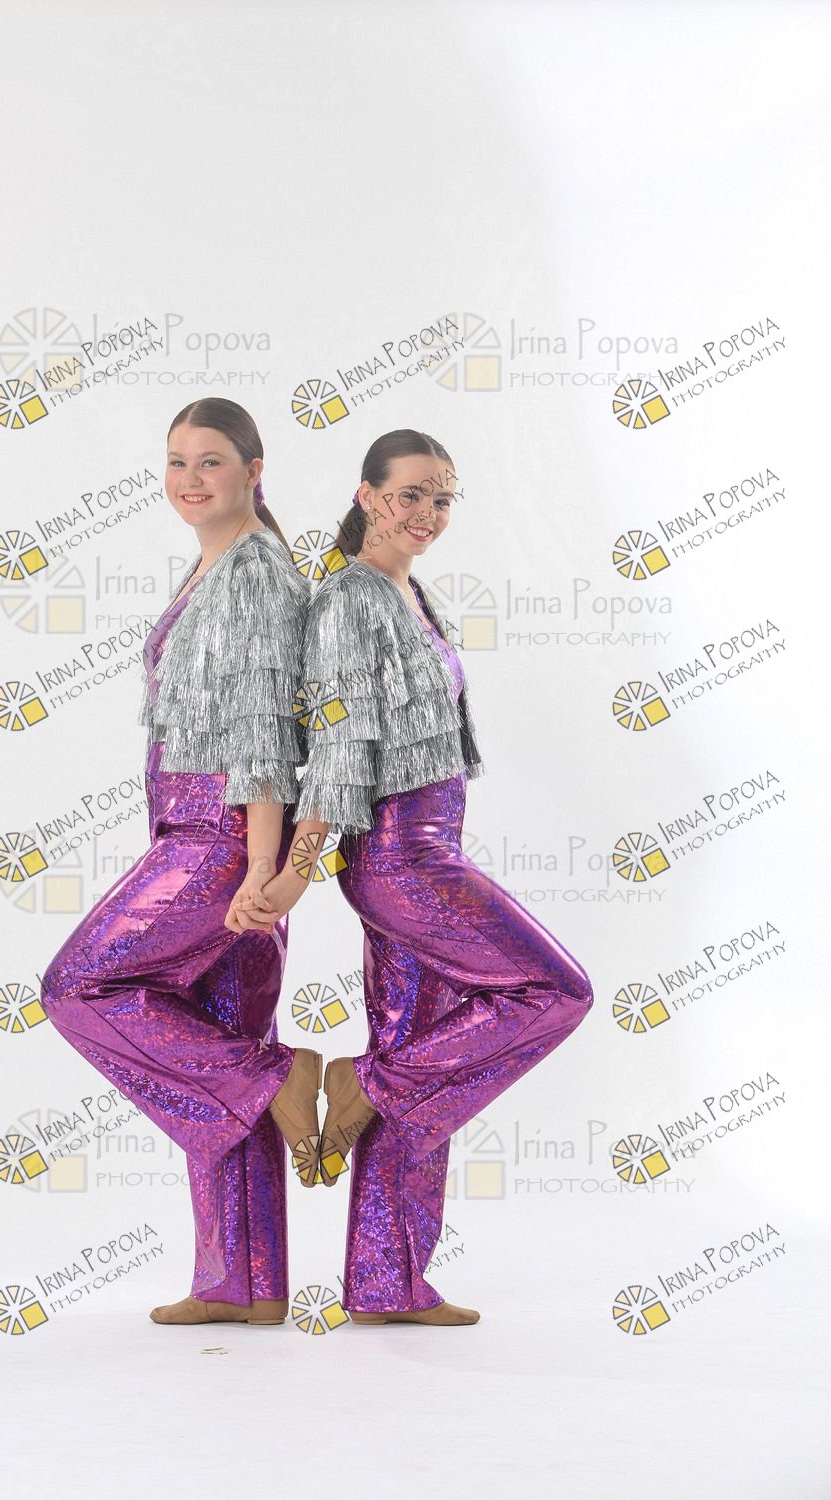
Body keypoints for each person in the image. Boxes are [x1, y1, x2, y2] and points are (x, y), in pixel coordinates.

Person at [278, 429, 594, 1327]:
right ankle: (364, 1083)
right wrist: (299, 868)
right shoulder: (349, 600)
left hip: (429, 847)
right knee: (554, 991)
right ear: (367, 495)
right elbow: (339, 744)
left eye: (443, 498)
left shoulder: (410, 593)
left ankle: (387, 1283)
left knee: (427, 1057)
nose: (428, 512)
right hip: (402, 860)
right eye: (411, 493)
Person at [38, 398, 324, 1329]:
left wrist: (260, 862)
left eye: (211, 461)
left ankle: (275, 1079)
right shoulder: (217, 565)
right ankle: (244, 1282)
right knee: (219, 1031)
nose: (190, 479)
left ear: (254, 469)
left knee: (82, 986)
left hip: (219, 836)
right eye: (176, 462)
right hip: (208, 831)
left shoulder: (256, 573)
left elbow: (264, 728)